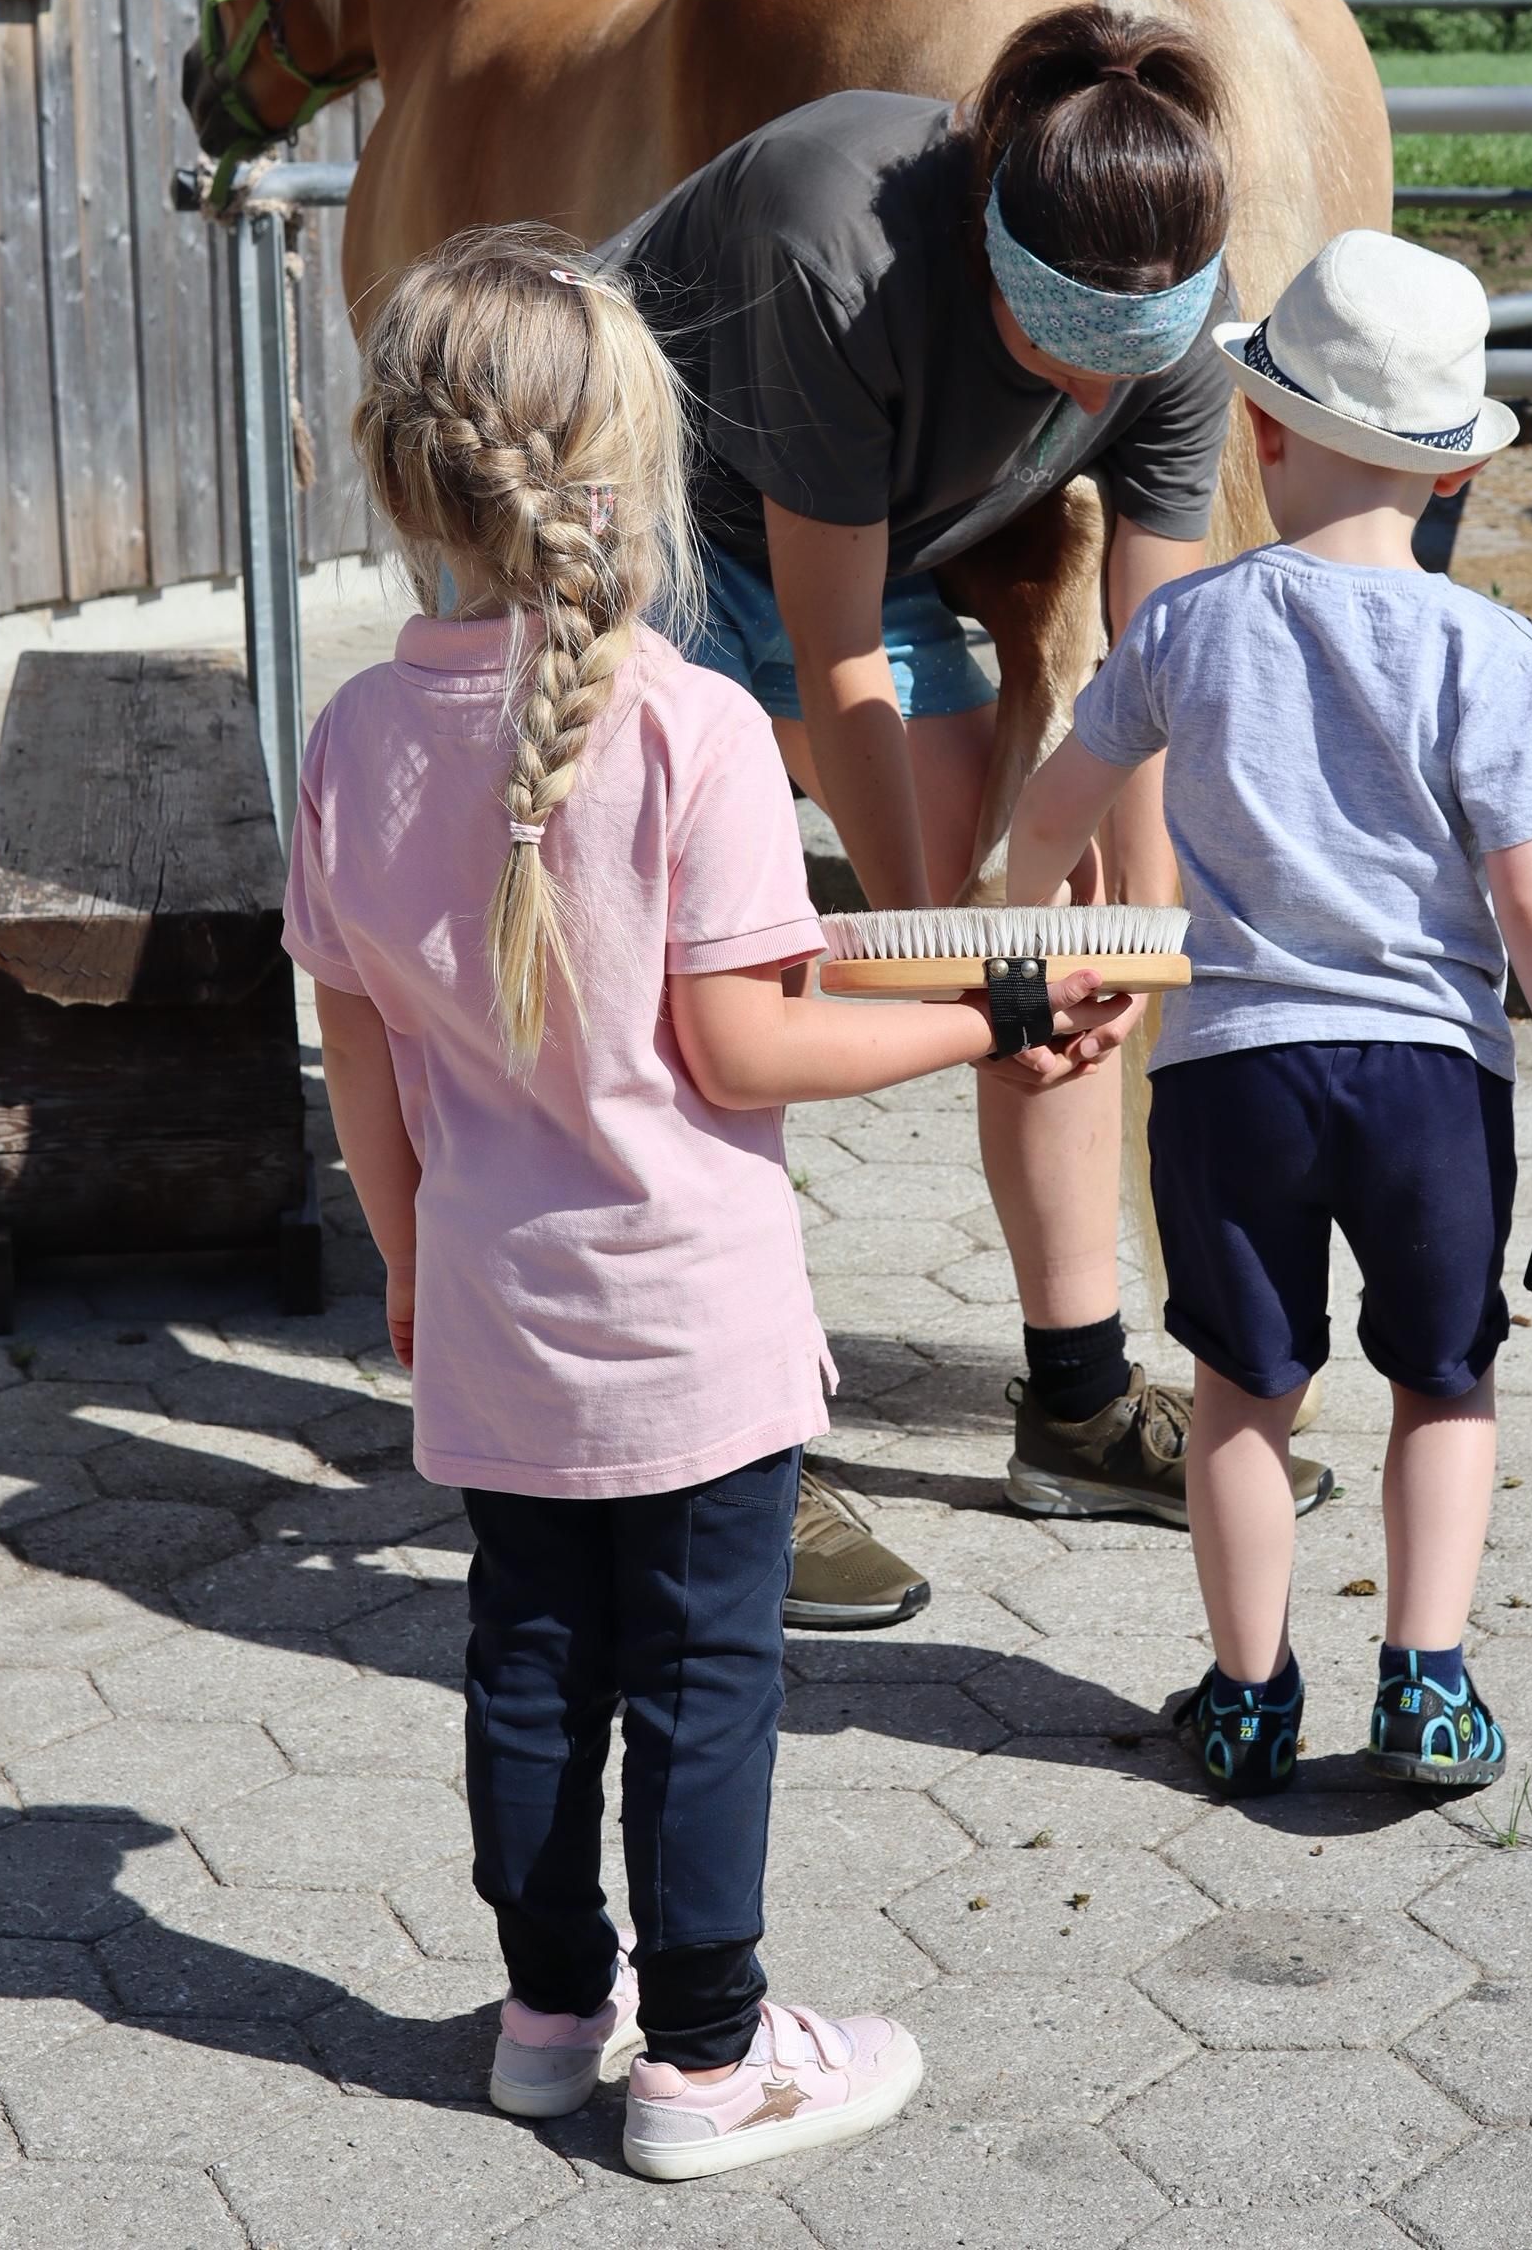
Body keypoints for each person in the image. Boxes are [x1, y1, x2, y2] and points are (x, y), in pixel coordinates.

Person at [284, 230, 1136, 2173]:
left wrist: (408, 1263)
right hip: (691, 1334)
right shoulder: (689, 725)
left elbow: (358, 1053)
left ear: (405, 472)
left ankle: (546, 2015)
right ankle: (703, 2057)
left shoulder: (348, 741)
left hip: (489, 1312)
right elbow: (743, 1050)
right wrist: (991, 1018)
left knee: (527, 1663)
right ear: (633, 463)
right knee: (699, 1683)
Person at [612, 2, 1334, 1631]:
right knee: (693, 976)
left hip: (857, 543)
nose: (1090, 389)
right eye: (1056, 348)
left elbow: (1151, 666)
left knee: (1052, 941)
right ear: (992, 241)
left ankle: (1077, 1408)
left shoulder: (1172, 299)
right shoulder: (831, 242)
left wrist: (1125, 950)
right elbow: (831, 654)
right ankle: (718, 1457)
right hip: (630, 520)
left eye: (1127, 363)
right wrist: (950, 967)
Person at [1004, 230, 1532, 1794]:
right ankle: (1427, 1684)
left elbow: (1054, 807)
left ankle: (1248, 1700)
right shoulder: (1494, 652)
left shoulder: (1186, 624)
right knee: (1445, 1377)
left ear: (1263, 429)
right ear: (1457, 473)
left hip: (1229, 1076)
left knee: (1245, 1392)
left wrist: (1036, 940)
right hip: (1429, 1079)